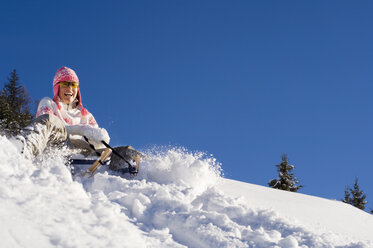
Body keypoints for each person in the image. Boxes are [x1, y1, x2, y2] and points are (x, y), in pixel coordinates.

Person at [13, 66, 111, 159]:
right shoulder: (48, 103)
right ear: (57, 88)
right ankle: (22, 150)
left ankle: (121, 170)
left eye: (73, 84)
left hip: (84, 152)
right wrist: (80, 129)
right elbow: (46, 127)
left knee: (119, 151)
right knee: (50, 120)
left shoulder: (87, 116)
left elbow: (98, 144)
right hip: (59, 146)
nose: (69, 88)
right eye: (65, 84)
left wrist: (102, 137)